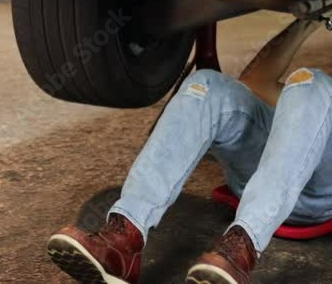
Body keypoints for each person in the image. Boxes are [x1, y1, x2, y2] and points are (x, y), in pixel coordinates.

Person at [47, 15, 332, 284]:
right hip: (258, 179)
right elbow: (254, 83)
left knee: (312, 83)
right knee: (205, 85)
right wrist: (309, 18)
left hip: (319, 195)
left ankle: (241, 249)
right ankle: (122, 241)